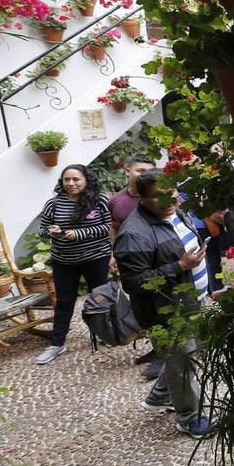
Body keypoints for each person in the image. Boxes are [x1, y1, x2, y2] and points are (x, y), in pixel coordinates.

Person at [113, 169, 210, 438]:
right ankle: (189, 419)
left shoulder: (175, 212)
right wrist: (180, 266)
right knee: (184, 364)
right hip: (165, 312)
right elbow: (134, 283)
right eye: (158, 195)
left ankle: (158, 397)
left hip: (190, 300)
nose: (168, 199)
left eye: (172, 192)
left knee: (182, 358)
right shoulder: (133, 234)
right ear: (142, 198)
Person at [34, 164, 113, 365]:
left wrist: (80, 234)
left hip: (96, 257)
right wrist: (51, 231)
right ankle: (57, 344)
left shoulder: (100, 200)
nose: (71, 183)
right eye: (66, 179)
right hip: (64, 261)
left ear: (86, 180)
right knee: (64, 302)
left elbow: (108, 227)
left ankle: (106, 334)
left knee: (100, 297)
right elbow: (41, 230)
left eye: (76, 179)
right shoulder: (54, 204)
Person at [107, 155, 166, 379]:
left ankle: (163, 357)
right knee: (142, 306)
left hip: (157, 261)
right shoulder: (116, 200)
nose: (146, 175)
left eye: (150, 171)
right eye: (141, 171)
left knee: (160, 306)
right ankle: (156, 348)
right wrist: (114, 252)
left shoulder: (159, 195)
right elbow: (114, 226)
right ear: (127, 172)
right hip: (132, 260)